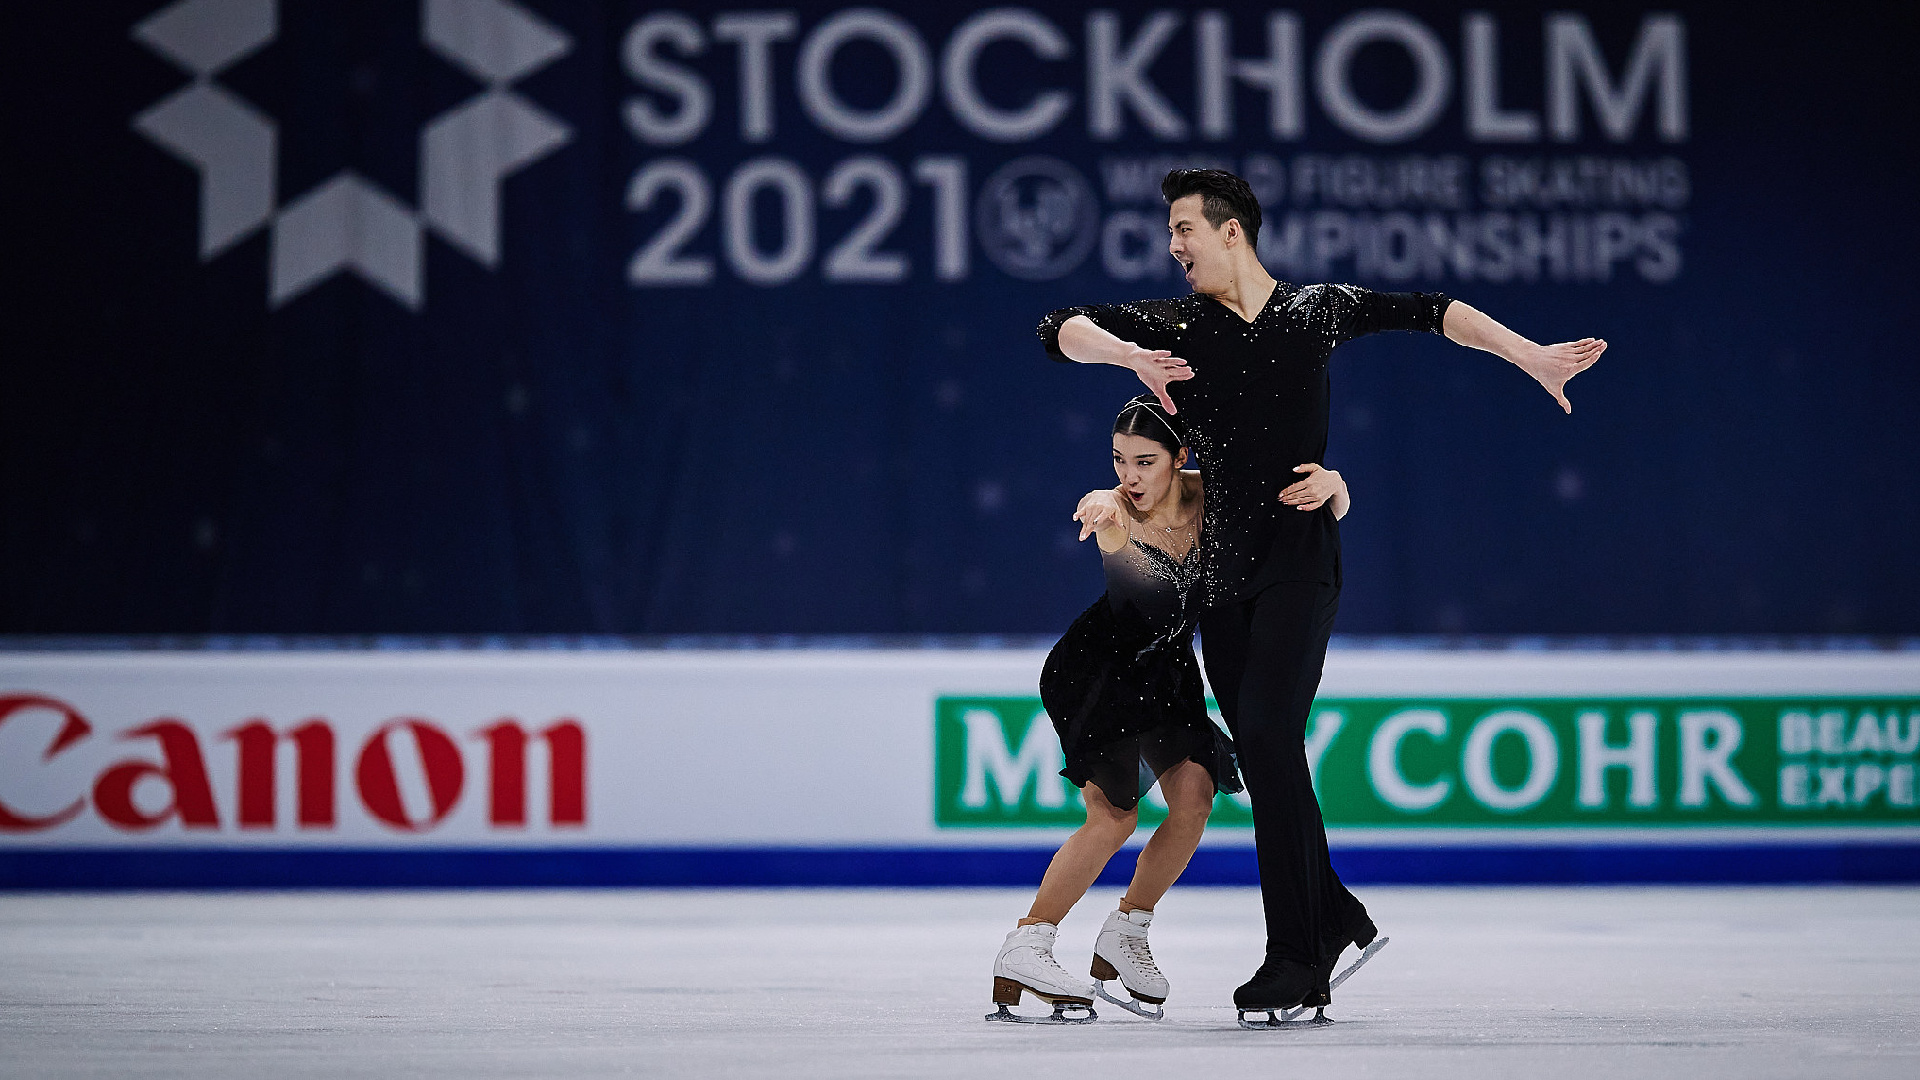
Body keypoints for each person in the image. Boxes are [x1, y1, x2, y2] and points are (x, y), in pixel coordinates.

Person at [1036, 168, 1605, 1020]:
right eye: (1169, 232)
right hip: (1223, 579)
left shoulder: (1316, 310)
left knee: (1266, 732)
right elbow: (1058, 328)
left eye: (1184, 228)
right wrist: (1123, 354)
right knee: (1268, 759)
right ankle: (1334, 914)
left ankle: (1296, 957)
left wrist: (1527, 354)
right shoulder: (1178, 329)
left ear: (1233, 232)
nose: (1173, 245)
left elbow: (1432, 310)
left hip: (1301, 558)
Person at [988, 395, 1352, 1024]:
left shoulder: (1216, 496)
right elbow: (1104, 505)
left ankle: (1126, 931)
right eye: (1118, 460)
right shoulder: (1115, 513)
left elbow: (1322, 506)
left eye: (1144, 462)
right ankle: (1029, 942)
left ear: (1179, 459)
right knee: (1112, 821)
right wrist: (1102, 500)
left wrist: (1334, 484)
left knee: (1194, 800)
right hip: (1098, 674)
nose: (1129, 476)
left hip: (1167, 670)